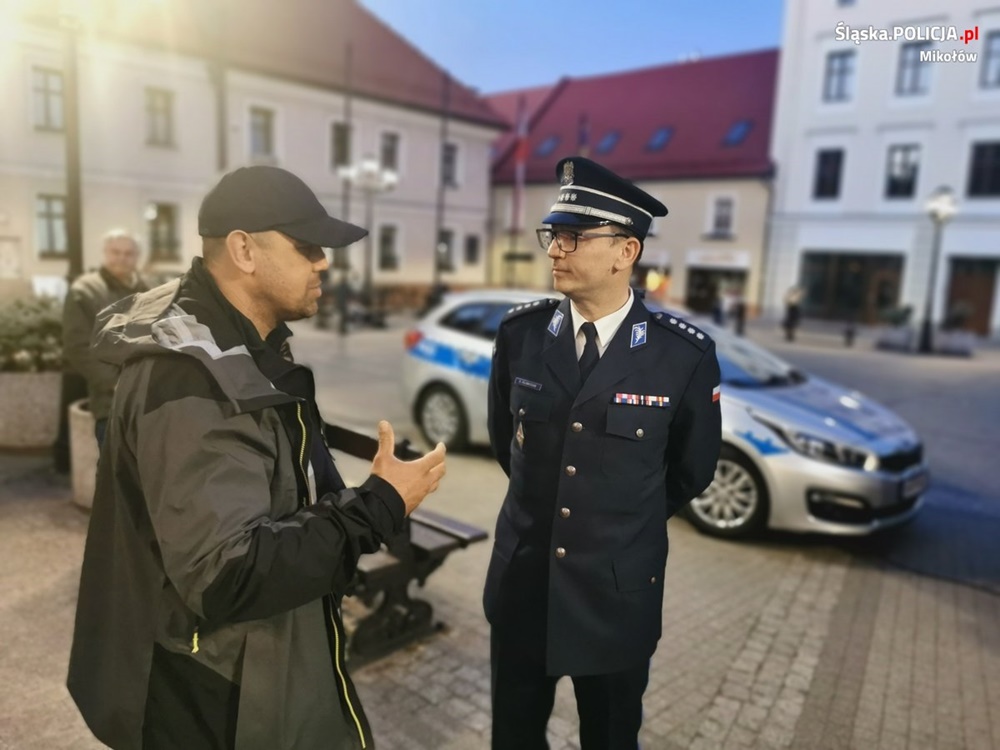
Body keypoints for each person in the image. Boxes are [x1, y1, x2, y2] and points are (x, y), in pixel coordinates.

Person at [67, 166, 447, 750]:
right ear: (243, 249)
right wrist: (378, 506)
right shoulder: (191, 375)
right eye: (308, 246)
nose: (324, 262)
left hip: (236, 665)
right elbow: (226, 572)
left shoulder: (240, 340)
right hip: (210, 690)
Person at [485, 157, 722, 748]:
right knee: (513, 736)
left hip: (615, 596)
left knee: (611, 738)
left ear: (626, 252)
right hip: (525, 585)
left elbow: (691, 470)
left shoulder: (681, 356)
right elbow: (504, 444)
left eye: (573, 238)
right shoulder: (522, 335)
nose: (555, 251)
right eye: (553, 236)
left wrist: (617, 521)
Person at [61, 229, 147, 445]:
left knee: (153, 473)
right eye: (115, 252)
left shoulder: (148, 290)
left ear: (137, 257)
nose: (122, 258)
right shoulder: (86, 291)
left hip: (152, 401)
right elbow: (78, 347)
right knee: (116, 473)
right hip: (112, 404)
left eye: (129, 253)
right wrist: (116, 383)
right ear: (104, 253)